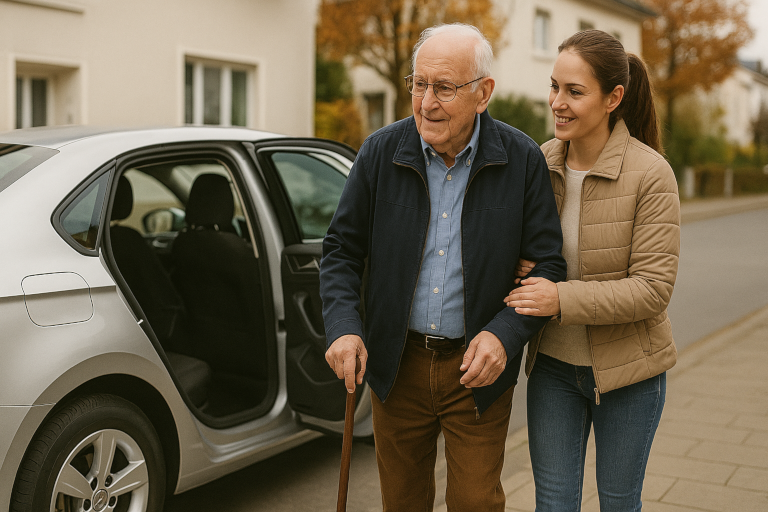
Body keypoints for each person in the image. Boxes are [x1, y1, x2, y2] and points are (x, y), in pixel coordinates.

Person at [320, 23, 566, 511]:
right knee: (403, 502)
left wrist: (504, 335)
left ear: (483, 93)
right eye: (419, 83)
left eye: (445, 88)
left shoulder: (520, 160)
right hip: (397, 365)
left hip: (476, 372)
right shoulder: (379, 152)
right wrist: (344, 329)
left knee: (476, 502)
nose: (426, 102)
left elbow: (549, 266)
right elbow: (341, 250)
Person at [505, 29, 680, 511]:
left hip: (630, 374)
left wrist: (559, 297)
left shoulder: (651, 174)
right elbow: (518, 250)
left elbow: (652, 290)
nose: (557, 102)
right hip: (554, 371)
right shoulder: (539, 163)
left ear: (613, 98)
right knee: (554, 502)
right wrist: (520, 263)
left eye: (575, 91)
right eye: (555, 86)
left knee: (618, 503)